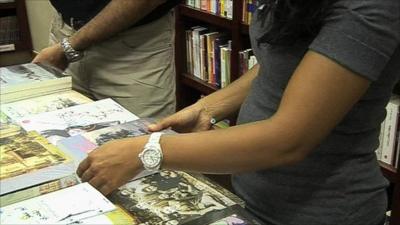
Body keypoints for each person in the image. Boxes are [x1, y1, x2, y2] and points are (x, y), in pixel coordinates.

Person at [76, 0, 400, 225]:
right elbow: (282, 66)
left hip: (319, 212)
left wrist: (150, 151)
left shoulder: (371, 8)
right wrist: (208, 106)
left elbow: (288, 140)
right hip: (253, 196)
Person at [32, 0, 180, 118]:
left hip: (132, 47)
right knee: (59, 135)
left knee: (138, 145)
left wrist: (68, 48)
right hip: (64, 31)